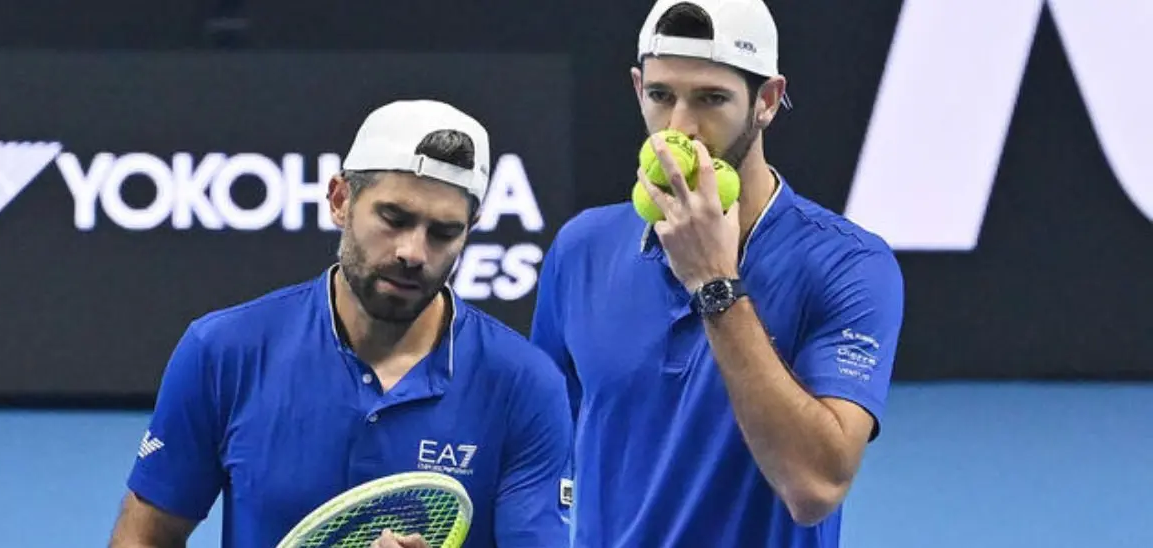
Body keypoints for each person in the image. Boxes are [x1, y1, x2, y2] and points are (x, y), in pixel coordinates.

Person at [108, 99, 573, 548]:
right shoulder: (222, 351)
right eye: (394, 218)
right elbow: (145, 537)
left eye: (444, 232)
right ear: (340, 200)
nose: (413, 252)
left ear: (469, 230)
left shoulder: (525, 386)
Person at [530, 1, 906, 546]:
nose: (679, 129)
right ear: (637, 89)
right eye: (661, 95)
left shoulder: (849, 265)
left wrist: (714, 283)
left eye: (711, 98)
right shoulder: (581, 248)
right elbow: (536, 457)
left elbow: (814, 487)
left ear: (767, 101)